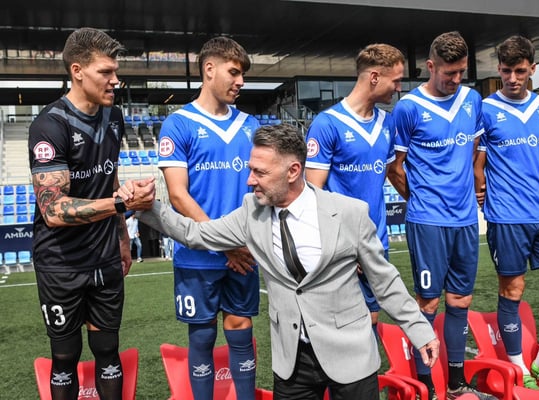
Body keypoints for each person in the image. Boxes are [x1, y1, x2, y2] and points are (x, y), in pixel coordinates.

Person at [122, 123, 439, 400]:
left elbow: (384, 281)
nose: (250, 180)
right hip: (292, 362)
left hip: (351, 357)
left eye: (260, 172)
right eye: (251, 170)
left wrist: (419, 330)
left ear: (293, 171)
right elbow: (195, 234)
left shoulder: (348, 213)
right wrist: (147, 206)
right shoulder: (251, 212)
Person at [27, 27, 155, 400]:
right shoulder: (49, 125)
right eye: (105, 72)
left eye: (116, 71)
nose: (115, 80)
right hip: (61, 264)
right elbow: (53, 210)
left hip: (105, 256)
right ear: (78, 71)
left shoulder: (114, 117)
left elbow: (108, 178)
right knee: (65, 356)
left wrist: (122, 238)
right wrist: (122, 204)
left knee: (108, 350)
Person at [387, 31, 496, 400]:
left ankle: (456, 384)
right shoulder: (408, 108)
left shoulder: (472, 99)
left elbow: (475, 149)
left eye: (461, 72)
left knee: (460, 301)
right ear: (430, 67)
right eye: (449, 72)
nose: (455, 79)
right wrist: (420, 199)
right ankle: (427, 388)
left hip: (465, 219)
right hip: (428, 221)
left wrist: (475, 183)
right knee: (429, 303)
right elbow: (395, 167)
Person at [156, 36, 261, 400]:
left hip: (243, 255)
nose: (241, 82)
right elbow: (177, 195)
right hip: (198, 255)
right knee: (201, 336)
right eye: (234, 72)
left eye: (243, 74)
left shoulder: (251, 125)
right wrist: (224, 244)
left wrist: (241, 244)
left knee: (241, 328)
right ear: (209, 69)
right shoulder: (178, 124)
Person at [474, 35, 539, 389]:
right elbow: (477, 165)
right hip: (507, 217)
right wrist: (481, 193)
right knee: (513, 290)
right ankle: (518, 368)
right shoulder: (484, 109)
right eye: (506, 71)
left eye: (520, 71)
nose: (512, 78)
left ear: (532, 69)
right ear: (498, 69)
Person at [305, 43, 404, 337]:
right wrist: (348, 245)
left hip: (376, 242)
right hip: (341, 247)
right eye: (396, 80)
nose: (399, 88)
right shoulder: (327, 124)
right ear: (374, 77)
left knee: (372, 317)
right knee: (344, 325)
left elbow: (390, 174)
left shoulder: (387, 123)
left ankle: (367, 370)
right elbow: (312, 193)